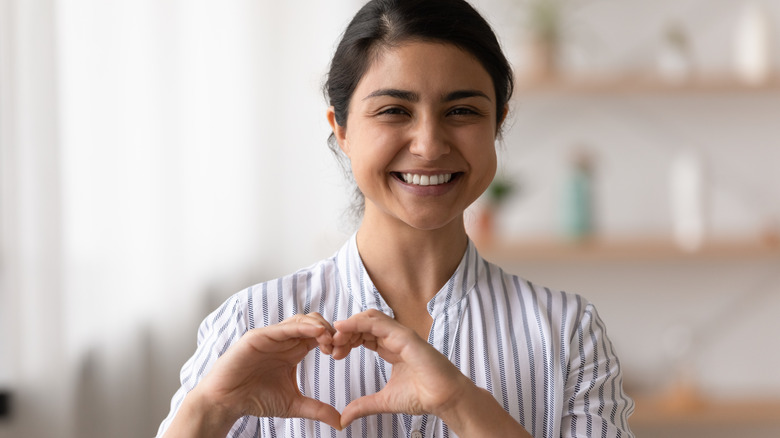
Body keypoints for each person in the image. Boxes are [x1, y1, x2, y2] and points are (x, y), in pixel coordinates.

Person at [156, 0, 635, 436]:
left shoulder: (567, 332)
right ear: (341, 130)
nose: (428, 145)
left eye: (462, 110)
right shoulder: (249, 324)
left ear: (498, 123)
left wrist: (461, 402)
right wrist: (207, 412)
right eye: (393, 111)